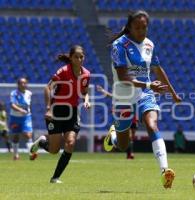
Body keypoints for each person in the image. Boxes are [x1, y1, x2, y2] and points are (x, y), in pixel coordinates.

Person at [103, 10, 181, 189]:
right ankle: (113, 136)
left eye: (144, 27)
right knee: (123, 145)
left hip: (146, 93)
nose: (141, 31)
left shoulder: (149, 45)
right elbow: (123, 76)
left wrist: (172, 92)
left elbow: (157, 69)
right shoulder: (119, 45)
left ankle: (165, 171)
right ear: (129, 27)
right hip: (124, 93)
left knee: (152, 126)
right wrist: (148, 86)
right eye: (137, 27)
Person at [29, 45, 91, 183]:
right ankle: (42, 142)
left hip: (72, 112)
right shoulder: (63, 71)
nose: (80, 59)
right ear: (71, 58)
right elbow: (48, 87)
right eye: (76, 57)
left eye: (82, 57)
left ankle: (55, 177)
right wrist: (48, 108)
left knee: (70, 143)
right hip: (56, 111)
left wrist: (87, 100)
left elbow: (85, 92)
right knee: (54, 150)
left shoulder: (86, 74)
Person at [97, 85, 137, 159]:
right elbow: (112, 96)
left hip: (133, 117)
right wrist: (103, 91)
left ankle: (114, 137)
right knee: (129, 136)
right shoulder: (121, 96)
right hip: (123, 117)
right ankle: (130, 154)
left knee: (131, 137)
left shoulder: (133, 95)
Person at [9, 78, 33, 160]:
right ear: (18, 84)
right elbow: (12, 105)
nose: (23, 84)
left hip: (26, 117)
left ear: (26, 84)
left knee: (28, 134)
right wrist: (21, 110)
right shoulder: (14, 93)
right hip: (15, 117)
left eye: (24, 83)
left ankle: (31, 154)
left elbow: (29, 105)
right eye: (21, 83)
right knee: (16, 136)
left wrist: (28, 111)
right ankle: (16, 155)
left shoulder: (29, 93)